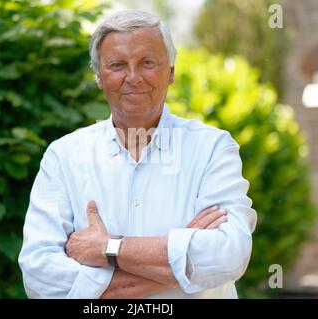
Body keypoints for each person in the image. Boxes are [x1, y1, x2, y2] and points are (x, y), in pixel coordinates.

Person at [18, 9, 257, 299]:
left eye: (147, 63)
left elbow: (229, 255)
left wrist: (108, 248)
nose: (133, 77)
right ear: (99, 78)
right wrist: (182, 260)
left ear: (170, 72)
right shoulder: (63, 156)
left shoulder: (213, 149)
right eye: (117, 65)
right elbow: (39, 275)